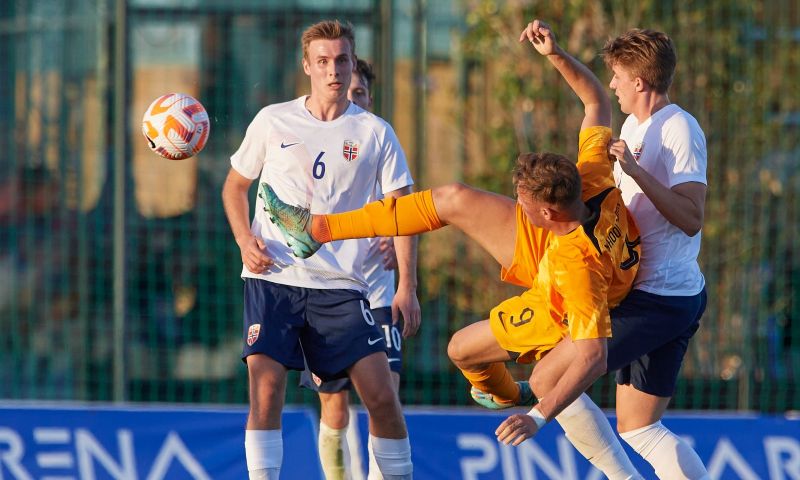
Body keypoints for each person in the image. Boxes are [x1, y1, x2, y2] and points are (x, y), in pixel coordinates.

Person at [262, 19, 645, 480]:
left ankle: (599, 456)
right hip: (563, 238)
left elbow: (592, 356)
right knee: (454, 199)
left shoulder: (575, 271)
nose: (513, 206)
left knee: (473, 355)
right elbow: (596, 100)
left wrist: (538, 415)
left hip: (561, 288)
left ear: (545, 210)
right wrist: (555, 54)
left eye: (522, 202)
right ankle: (320, 229)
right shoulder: (595, 177)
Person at [221, 20, 419, 480]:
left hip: (343, 288)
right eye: (324, 62)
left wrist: (407, 285)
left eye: (342, 60)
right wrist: (244, 240)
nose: (334, 71)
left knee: (383, 399)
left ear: (353, 65)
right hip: (274, 279)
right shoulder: (273, 120)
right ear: (307, 65)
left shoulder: (375, 133)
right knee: (266, 392)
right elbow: (234, 187)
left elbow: (405, 210)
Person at [602, 29, 709, 478]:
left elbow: (691, 217)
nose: (612, 86)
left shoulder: (680, 127)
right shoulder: (632, 125)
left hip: (663, 297)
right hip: (643, 290)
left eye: (618, 77)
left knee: (560, 376)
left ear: (640, 81)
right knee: (638, 429)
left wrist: (635, 170)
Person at [297, 58, 405, 480]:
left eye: (359, 93)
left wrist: (398, 244)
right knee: (334, 404)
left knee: (386, 398)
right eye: (347, 92)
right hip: (328, 294)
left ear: (369, 99)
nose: (351, 98)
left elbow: (411, 212)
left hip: (377, 294)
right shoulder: (314, 149)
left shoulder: (380, 141)